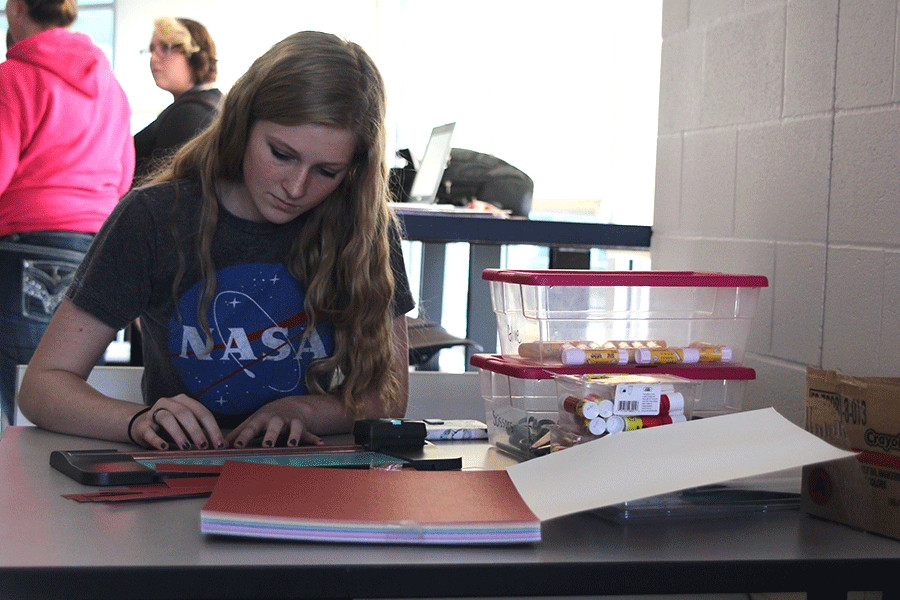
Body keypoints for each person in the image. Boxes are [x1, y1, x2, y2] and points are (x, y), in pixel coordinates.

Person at [19, 31, 415, 452]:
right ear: (241, 126)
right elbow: (43, 386)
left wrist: (306, 411)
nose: (296, 188)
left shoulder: (362, 226)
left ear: (353, 170)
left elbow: (388, 395)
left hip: (312, 480)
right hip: (179, 473)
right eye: (281, 154)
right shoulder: (154, 218)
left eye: (327, 172)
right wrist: (137, 421)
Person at [0, 0, 134, 428]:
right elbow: (124, 174)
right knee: (62, 390)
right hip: (97, 249)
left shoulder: (13, 78)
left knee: (18, 393)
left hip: (27, 244)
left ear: (17, 8)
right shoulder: (110, 86)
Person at [133, 17, 222, 185]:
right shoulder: (213, 103)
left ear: (195, 55)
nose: (154, 58)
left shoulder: (190, 114)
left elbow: (159, 193)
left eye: (166, 47)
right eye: (152, 49)